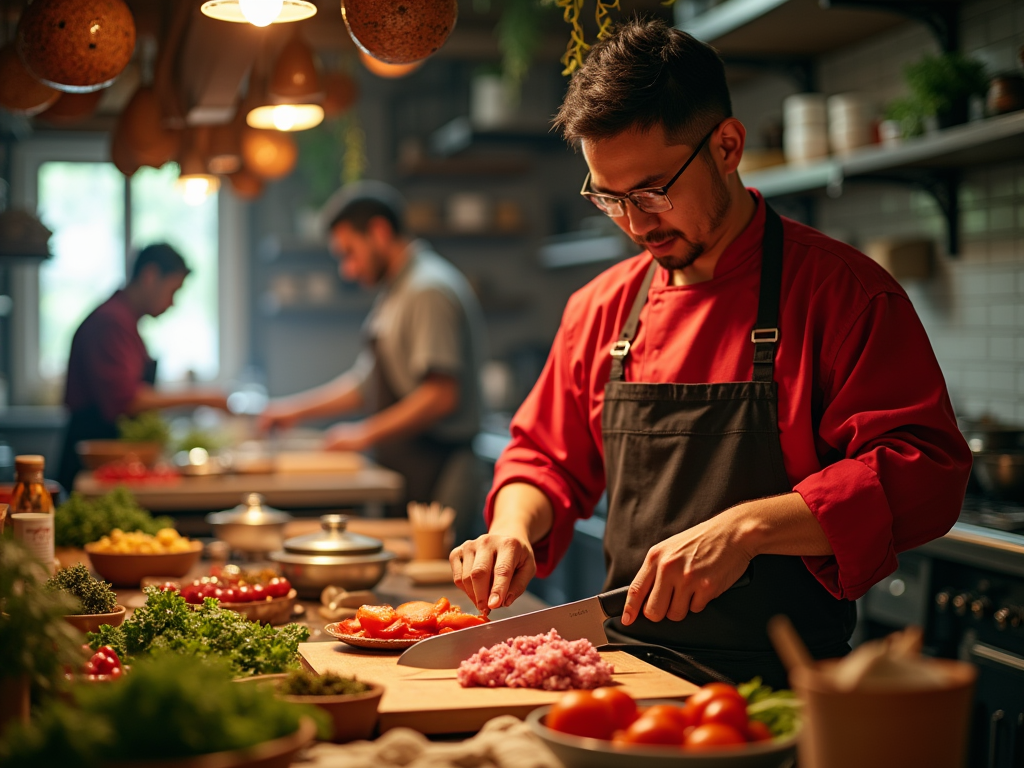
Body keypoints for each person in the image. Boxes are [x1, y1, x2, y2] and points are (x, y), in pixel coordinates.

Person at [449, 19, 972, 688]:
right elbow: (543, 456)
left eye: (652, 192)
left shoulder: (842, 293)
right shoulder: (601, 307)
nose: (636, 224)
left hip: (784, 687)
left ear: (727, 145)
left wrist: (751, 526)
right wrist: (514, 528)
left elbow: (925, 472)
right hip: (623, 677)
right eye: (609, 198)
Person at [259, 181, 486, 539]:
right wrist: (291, 411)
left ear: (379, 232)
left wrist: (361, 434)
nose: (347, 270)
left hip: (442, 470)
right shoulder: (397, 291)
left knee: (443, 584)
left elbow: (440, 395)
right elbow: (366, 383)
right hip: (411, 466)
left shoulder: (427, 289)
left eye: (350, 252)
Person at [56, 243, 228, 490]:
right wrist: (204, 398)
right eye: (173, 291)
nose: (172, 303)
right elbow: (126, 401)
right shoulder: (110, 323)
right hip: (95, 463)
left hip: (110, 462)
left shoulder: (124, 322)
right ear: (149, 276)